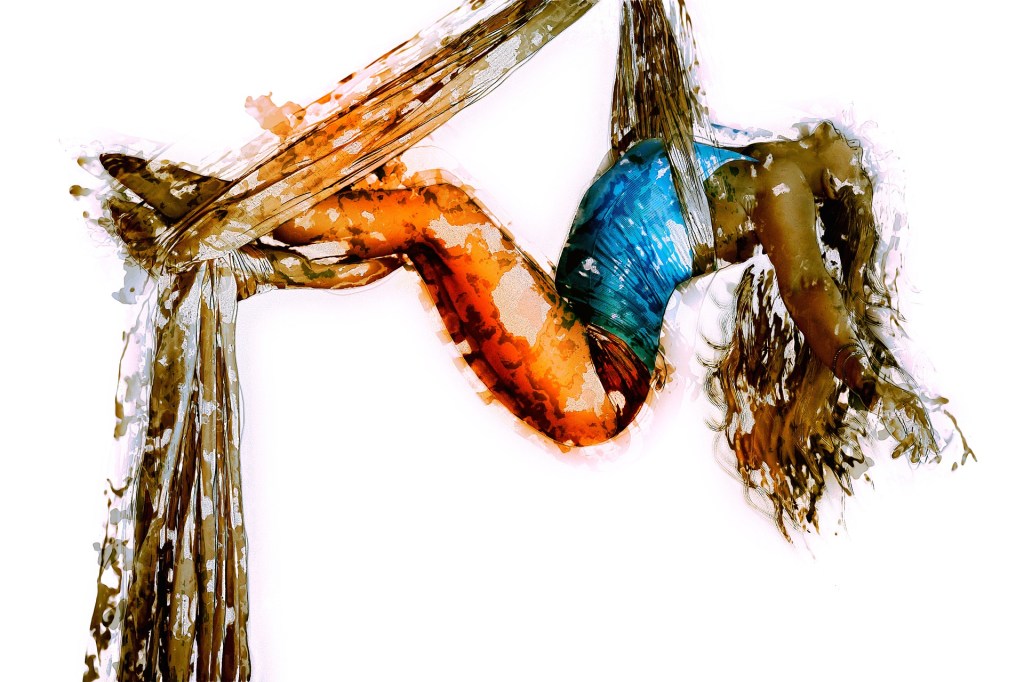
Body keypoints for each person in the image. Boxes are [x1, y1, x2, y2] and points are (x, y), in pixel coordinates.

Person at [80, 0, 968, 679]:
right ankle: (238, 205)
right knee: (422, 212)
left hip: (591, 377)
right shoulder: (731, 155)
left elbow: (811, 294)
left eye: (847, 159)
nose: (838, 141)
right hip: (578, 354)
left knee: (439, 212)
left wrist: (873, 384)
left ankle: (220, 211)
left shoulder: (779, 184)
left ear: (834, 192)